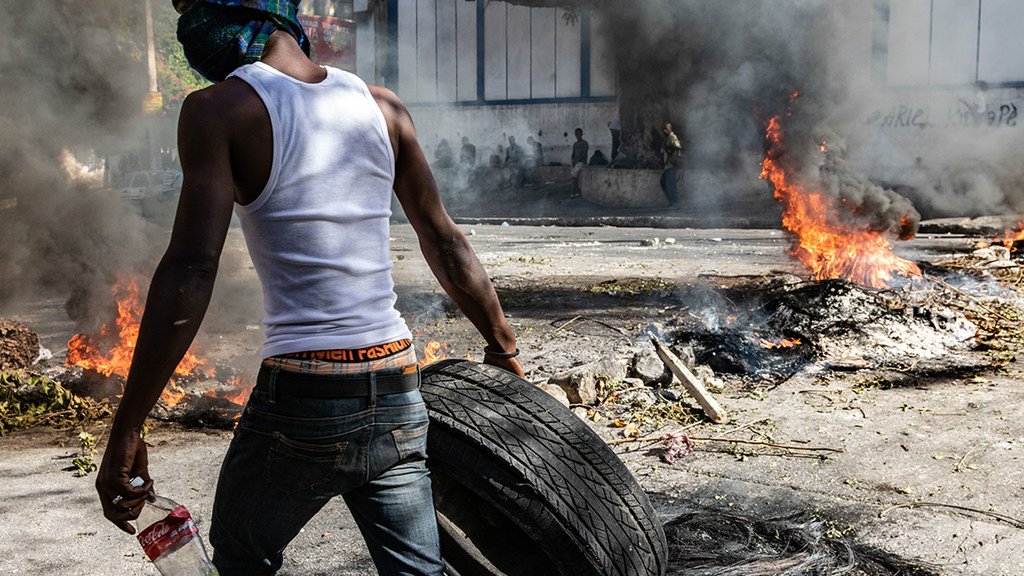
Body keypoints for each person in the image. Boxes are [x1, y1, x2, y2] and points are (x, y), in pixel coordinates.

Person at [95, 1, 524, 575]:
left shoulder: (216, 110)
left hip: (303, 397)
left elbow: (194, 267)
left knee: (244, 556)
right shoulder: (383, 107)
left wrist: (128, 425)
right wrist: (503, 347)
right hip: (397, 381)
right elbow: (444, 240)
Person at [660, 122, 683, 207]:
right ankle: (672, 201)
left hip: (672, 165)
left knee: (671, 184)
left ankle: (675, 202)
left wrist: (668, 149)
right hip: (668, 165)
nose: (664, 131)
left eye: (665, 129)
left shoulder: (672, 137)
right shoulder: (667, 138)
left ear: (668, 129)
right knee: (664, 183)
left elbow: (677, 147)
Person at [569, 127, 589, 198]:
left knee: (574, 173)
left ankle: (575, 191)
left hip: (582, 162)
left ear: (582, 134)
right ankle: (575, 190)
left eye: (578, 134)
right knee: (572, 174)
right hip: (576, 162)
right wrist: (572, 161)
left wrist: (576, 161)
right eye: (576, 134)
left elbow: (584, 154)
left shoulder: (585, 143)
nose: (577, 135)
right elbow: (573, 154)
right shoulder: (575, 144)